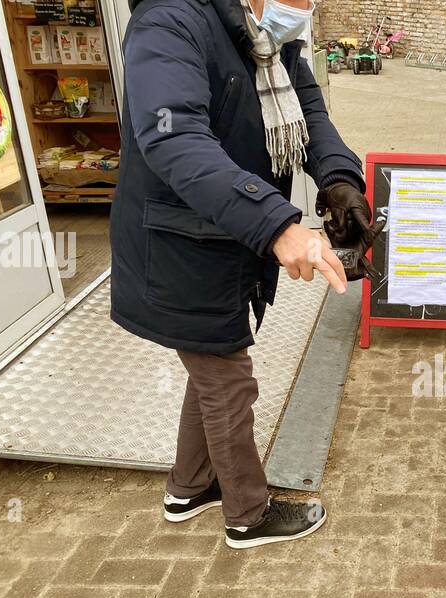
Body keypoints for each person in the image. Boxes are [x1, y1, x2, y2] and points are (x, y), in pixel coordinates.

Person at [110, 0, 376, 549]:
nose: (303, 7)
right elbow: (174, 137)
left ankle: (189, 487)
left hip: (225, 238)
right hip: (180, 244)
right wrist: (278, 226)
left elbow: (310, 114)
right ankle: (247, 516)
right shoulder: (169, 21)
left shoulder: (267, 39)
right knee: (229, 380)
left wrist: (340, 180)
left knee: (210, 356)